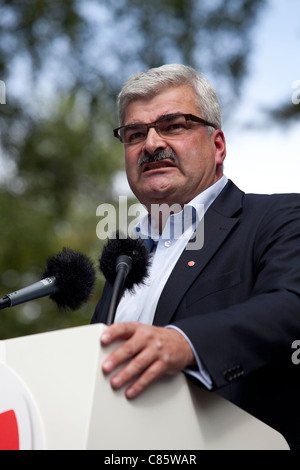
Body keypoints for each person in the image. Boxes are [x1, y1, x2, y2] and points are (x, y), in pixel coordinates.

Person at [91, 64, 300, 449]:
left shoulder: (278, 218)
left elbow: (291, 304)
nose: (151, 144)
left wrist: (184, 343)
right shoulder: (124, 260)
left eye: (173, 125)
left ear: (217, 146)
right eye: (135, 134)